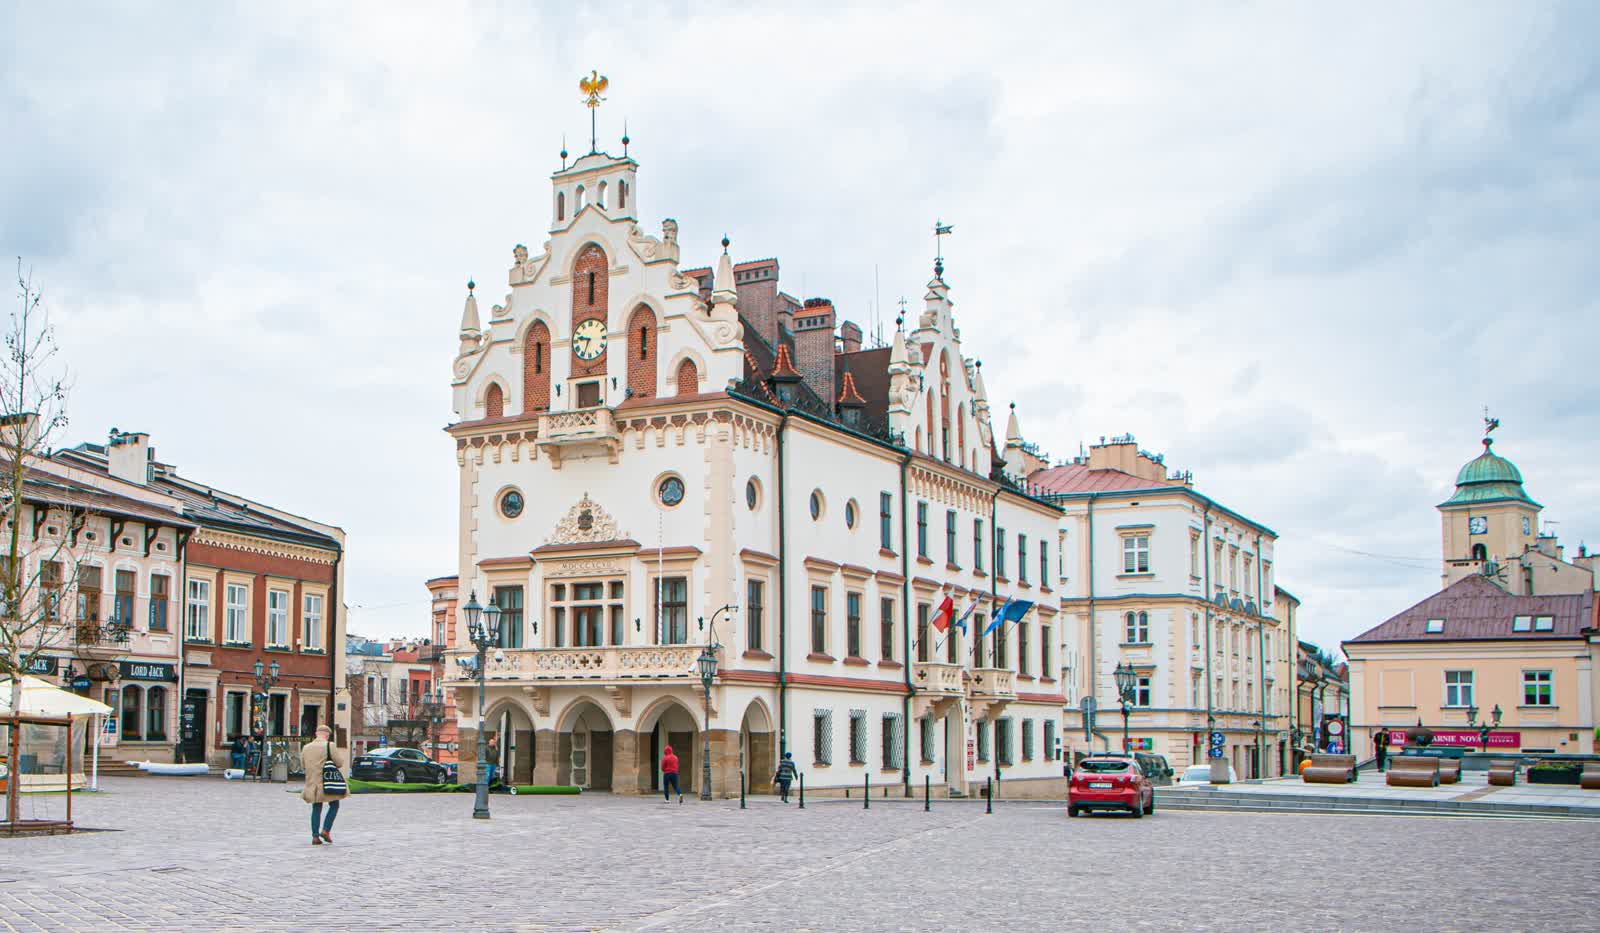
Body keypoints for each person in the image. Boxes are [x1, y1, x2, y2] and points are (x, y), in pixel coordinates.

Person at [300, 725, 349, 846]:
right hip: (328, 782)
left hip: (312, 783)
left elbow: (302, 765)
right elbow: (339, 763)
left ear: (316, 734)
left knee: (316, 808)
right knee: (334, 805)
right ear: (327, 735)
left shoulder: (306, 747)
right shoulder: (329, 745)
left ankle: (315, 836)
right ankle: (326, 830)